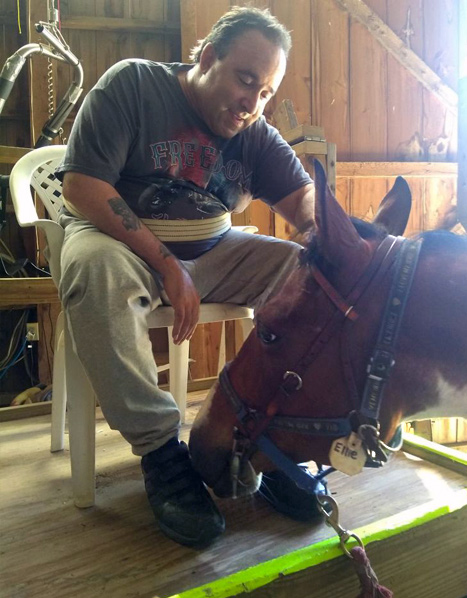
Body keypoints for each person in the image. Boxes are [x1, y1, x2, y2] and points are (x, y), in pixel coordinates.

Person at [56, 6, 316, 547]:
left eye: (266, 92)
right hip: (120, 241)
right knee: (93, 270)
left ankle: (271, 440)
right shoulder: (133, 84)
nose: (252, 103)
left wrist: (342, 239)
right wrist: (167, 263)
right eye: (246, 80)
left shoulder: (257, 133)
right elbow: (82, 185)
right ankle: (162, 454)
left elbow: (308, 207)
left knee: (308, 272)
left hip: (217, 247)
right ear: (207, 56)